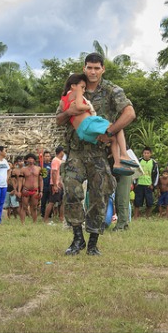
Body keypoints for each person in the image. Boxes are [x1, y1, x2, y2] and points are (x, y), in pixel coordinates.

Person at [56, 52, 135, 255]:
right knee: (72, 192)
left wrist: (110, 132)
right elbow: (58, 118)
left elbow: (129, 113)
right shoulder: (74, 87)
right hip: (75, 152)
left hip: (99, 154)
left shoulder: (111, 90)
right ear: (84, 68)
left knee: (100, 196)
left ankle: (93, 243)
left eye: (96, 68)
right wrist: (68, 113)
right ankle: (77, 239)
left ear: (103, 69)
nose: (92, 71)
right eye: (89, 67)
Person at [60, 73, 137, 176]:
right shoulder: (77, 93)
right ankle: (123, 155)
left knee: (113, 139)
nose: (83, 90)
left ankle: (118, 163)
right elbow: (79, 105)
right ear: (73, 86)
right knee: (117, 127)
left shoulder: (64, 99)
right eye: (82, 87)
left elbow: (63, 115)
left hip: (82, 133)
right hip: (88, 123)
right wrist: (89, 107)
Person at [133, 147, 158, 219]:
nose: (146, 155)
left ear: (150, 154)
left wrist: (153, 185)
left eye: (148, 153)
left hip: (148, 185)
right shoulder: (139, 161)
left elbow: (156, 175)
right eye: (145, 153)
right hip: (139, 184)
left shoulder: (154, 162)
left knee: (149, 202)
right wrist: (135, 183)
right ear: (143, 153)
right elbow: (134, 172)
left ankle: (147, 217)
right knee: (137, 202)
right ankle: (135, 217)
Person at [18, 153, 43, 224]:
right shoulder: (23, 169)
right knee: (24, 206)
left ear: (34, 160)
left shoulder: (39, 169)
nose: (30, 160)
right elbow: (20, 180)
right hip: (26, 190)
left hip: (35, 191)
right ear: (26, 160)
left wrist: (41, 191)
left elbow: (41, 180)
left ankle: (34, 222)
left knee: (34, 207)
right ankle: (22, 223)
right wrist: (19, 191)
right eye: (29, 158)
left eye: (32, 158)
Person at [45, 146, 65, 225]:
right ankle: (45, 219)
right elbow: (53, 172)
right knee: (52, 202)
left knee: (62, 201)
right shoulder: (55, 160)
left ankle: (61, 217)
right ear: (61, 152)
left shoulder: (61, 161)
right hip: (55, 184)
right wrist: (54, 185)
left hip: (61, 184)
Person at [40, 150, 53, 218]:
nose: (47, 157)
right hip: (43, 186)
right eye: (46, 156)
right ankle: (43, 215)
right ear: (43, 157)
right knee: (43, 202)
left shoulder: (52, 165)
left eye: (48, 156)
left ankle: (49, 215)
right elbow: (42, 176)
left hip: (50, 186)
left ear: (50, 157)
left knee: (50, 202)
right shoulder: (41, 165)